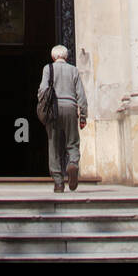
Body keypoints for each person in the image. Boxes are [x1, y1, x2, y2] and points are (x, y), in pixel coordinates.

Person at [37, 44, 87, 193]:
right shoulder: (73, 70)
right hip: (71, 108)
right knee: (72, 142)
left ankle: (58, 182)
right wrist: (83, 115)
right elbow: (81, 95)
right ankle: (73, 163)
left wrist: (42, 103)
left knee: (54, 145)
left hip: (54, 110)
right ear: (66, 56)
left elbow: (43, 89)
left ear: (53, 57)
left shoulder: (48, 68)